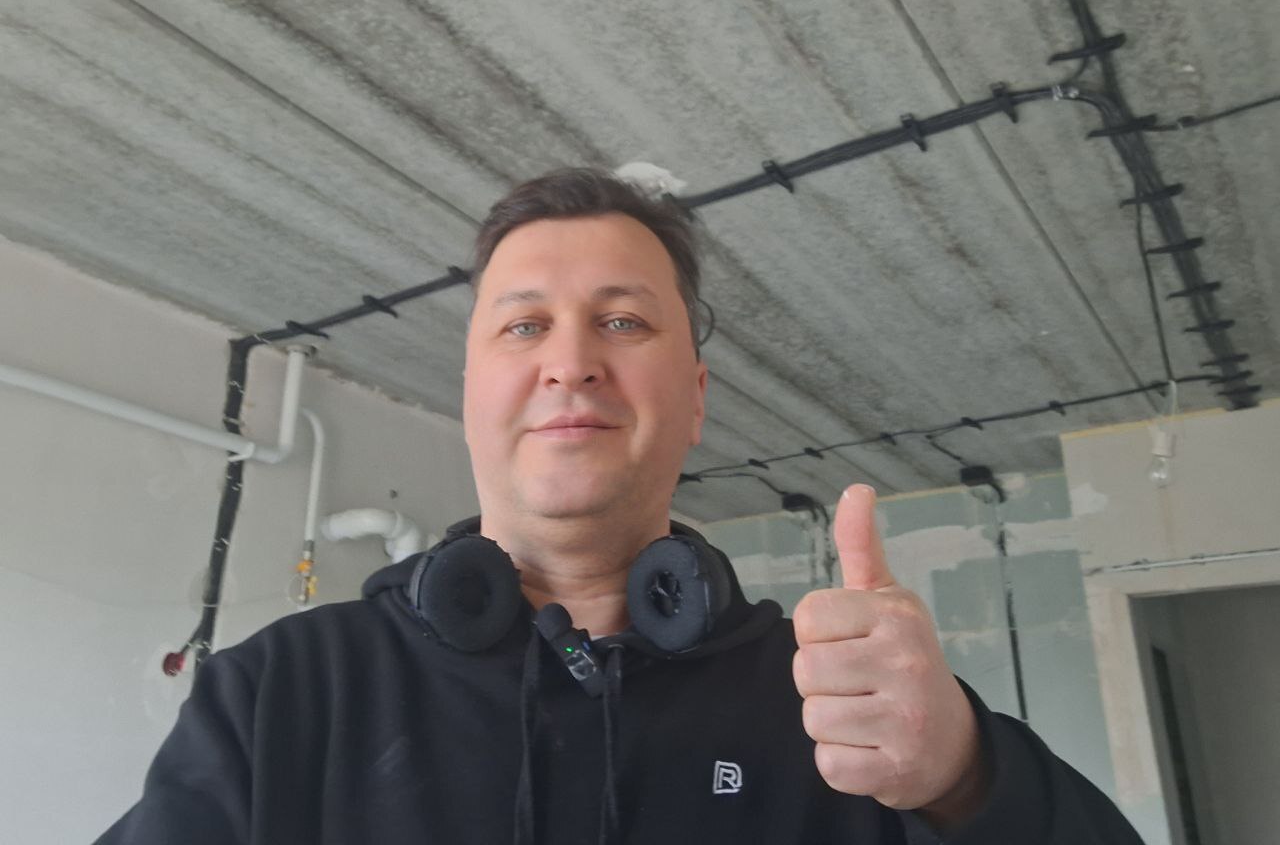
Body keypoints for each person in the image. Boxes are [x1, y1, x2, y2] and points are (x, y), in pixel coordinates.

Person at [96, 168, 1144, 844]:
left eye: (624, 322)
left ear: (695, 398)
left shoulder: (839, 707)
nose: (570, 362)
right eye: (523, 327)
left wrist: (966, 775)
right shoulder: (278, 693)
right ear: (470, 393)